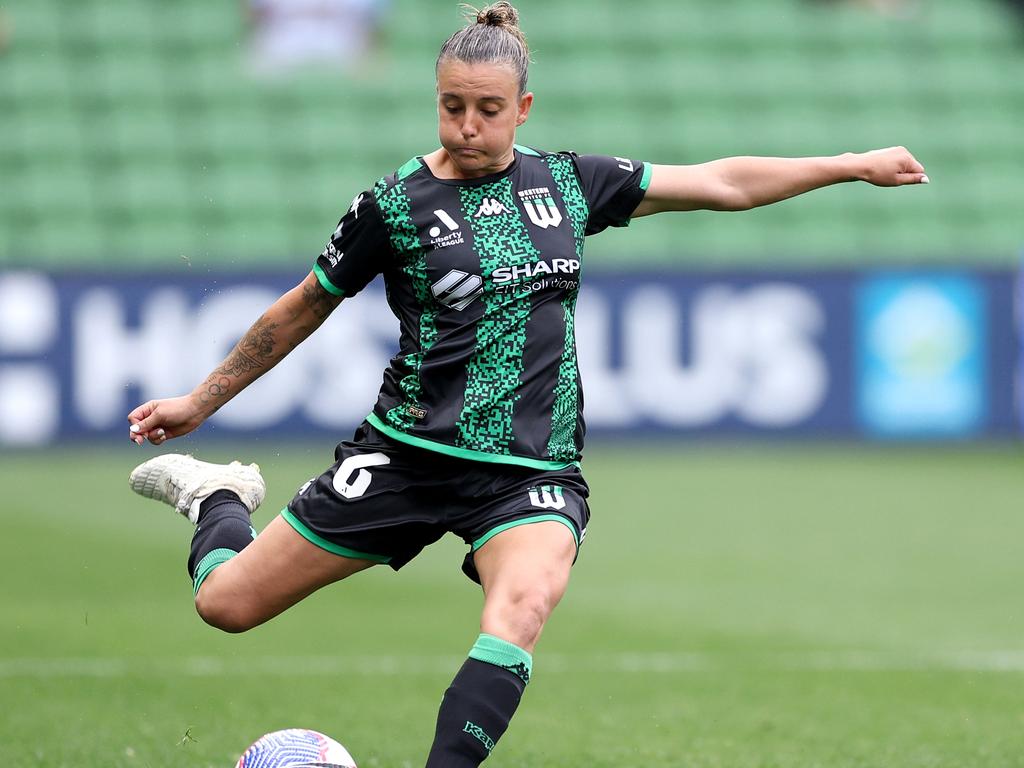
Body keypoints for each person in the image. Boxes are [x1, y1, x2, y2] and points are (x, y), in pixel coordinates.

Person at [126, 3, 928, 765]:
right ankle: (217, 497)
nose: (467, 127)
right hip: (408, 454)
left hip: (529, 472)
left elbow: (721, 183)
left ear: (523, 107)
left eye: (487, 109)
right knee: (226, 606)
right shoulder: (394, 207)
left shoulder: (570, 184)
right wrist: (201, 401)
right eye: (451, 107)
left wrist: (850, 165)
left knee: (523, 606)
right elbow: (303, 308)